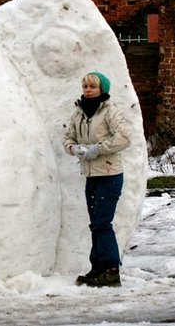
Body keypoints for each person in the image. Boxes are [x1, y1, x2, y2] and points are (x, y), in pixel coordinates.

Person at [63, 72, 130, 287]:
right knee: (96, 224)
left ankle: (111, 271)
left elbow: (124, 138)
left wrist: (97, 149)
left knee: (102, 223)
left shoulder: (109, 111)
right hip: (91, 175)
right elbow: (68, 137)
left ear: (102, 89)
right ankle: (98, 268)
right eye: (85, 86)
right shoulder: (79, 113)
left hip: (109, 175)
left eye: (92, 86)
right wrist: (74, 148)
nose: (88, 90)